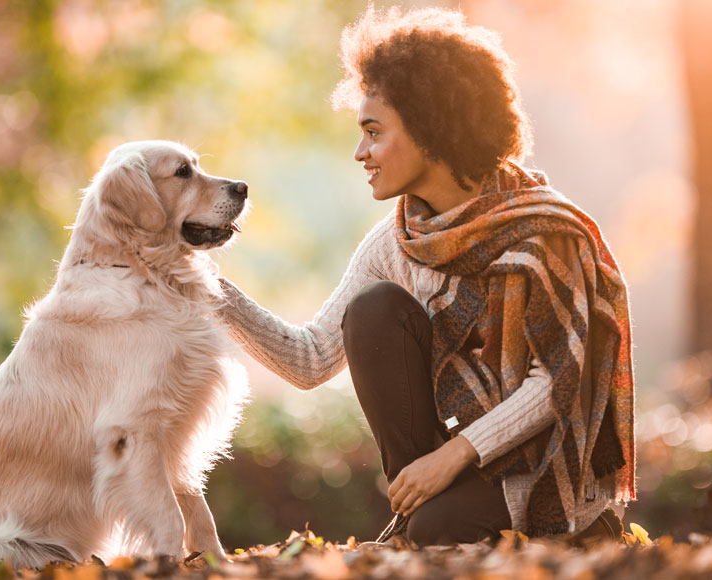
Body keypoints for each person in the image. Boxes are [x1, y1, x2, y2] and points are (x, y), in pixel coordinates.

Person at [216, 6, 636, 546]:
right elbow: (311, 359)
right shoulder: (396, 240)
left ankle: (561, 526)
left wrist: (450, 458)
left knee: (435, 531)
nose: (359, 152)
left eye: (373, 132)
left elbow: (557, 380)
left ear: (429, 129)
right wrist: (211, 290)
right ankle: (423, 516)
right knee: (373, 311)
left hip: (547, 467)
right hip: (459, 466)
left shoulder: (542, 231)